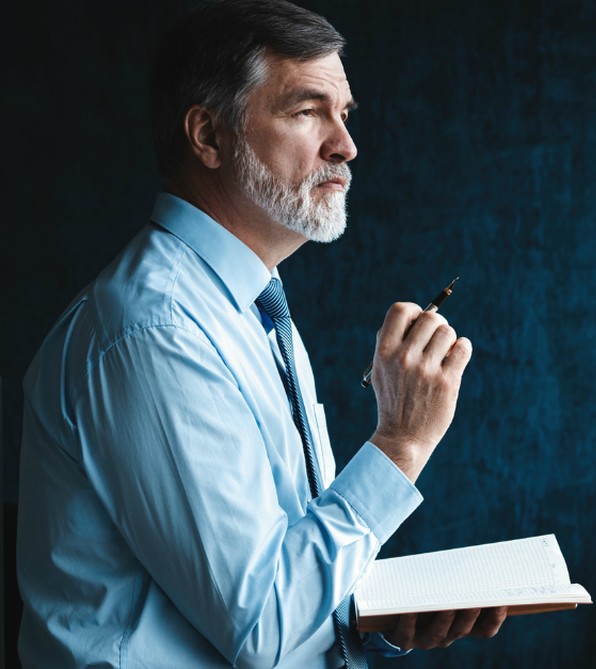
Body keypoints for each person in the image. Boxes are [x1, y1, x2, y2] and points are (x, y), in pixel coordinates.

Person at [15, 1, 506, 666]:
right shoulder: (153, 330)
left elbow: (278, 573)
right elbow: (262, 631)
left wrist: (371, 621)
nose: (345, 144)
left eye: (344, 114)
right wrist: (400, 442)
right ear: (208, 137)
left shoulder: (251, 307)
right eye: (308, 111)